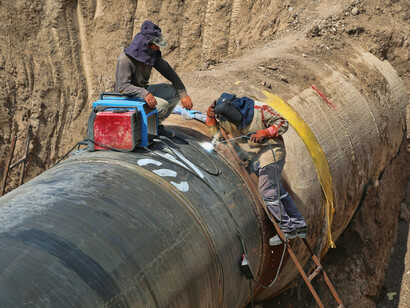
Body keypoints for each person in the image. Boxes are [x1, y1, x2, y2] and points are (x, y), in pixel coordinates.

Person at [206, 93, 308, 245]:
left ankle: (287, 230)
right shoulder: (224, 118)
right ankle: (299, 226)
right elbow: (217, 135)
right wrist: (211, 118)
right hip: (254, 158)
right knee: (277, 190)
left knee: (267, 192)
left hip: (271, 152)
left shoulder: (260, 110)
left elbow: (282, 122)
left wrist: (266, 132)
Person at [115, 20, 193, 138]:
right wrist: (144, 93)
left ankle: (156, 125)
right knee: (162, 106)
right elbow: (123, 86)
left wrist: (183, 93)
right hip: (128, 97)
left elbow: (170, 73)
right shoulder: (125, 59)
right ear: (147, 44)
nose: (157, 48)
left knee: (175, 92)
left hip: (143, 91)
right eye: (156, 45)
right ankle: (145, 129)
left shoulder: (151, 54)